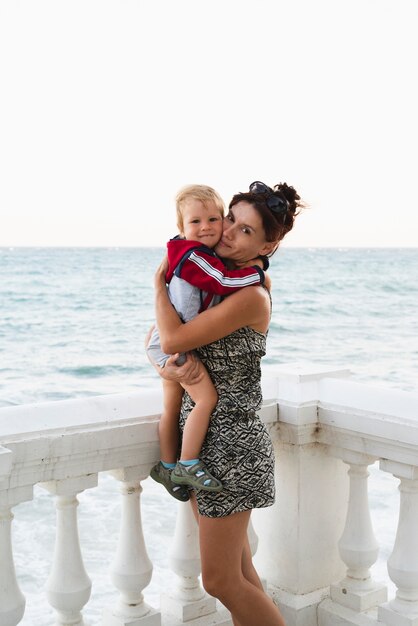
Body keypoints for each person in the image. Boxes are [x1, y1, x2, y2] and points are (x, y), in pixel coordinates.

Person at [153, 180, 303, 626]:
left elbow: (174, 338)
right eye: (230, 221)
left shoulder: (250, 294)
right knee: (239, 573)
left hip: (230, 444)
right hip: (209, 439)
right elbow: (179, 353)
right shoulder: (220, 282)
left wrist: (157, 284)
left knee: (219, 581)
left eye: (245, 231)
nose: (228, 233)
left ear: (270, 243)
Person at [147, 185, 267, 502]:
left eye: (215, 219)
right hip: (174, 347)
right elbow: (223, 282)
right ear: (181, 228)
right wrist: (257, 273)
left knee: (171, 407)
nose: (209, 228)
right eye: (195, 222)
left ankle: (166, 465)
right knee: (205, 399)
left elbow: (163, 326)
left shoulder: (190, 255)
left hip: (168, 346)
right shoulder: (194, 257)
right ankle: (186, 465)